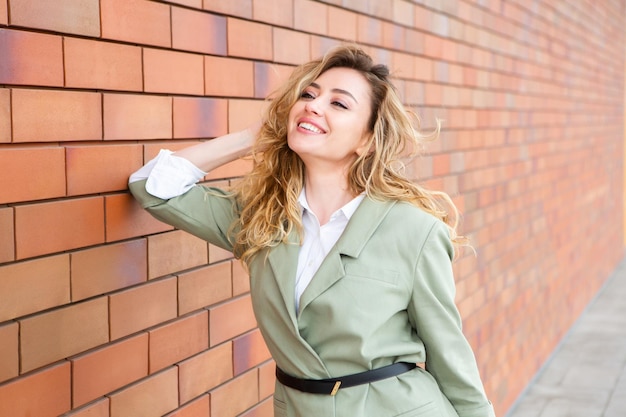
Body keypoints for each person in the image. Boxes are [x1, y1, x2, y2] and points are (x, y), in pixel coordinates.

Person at [129, 45, 495, 417]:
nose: (314, 106)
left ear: (366, 141)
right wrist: (253, 136)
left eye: (339, 104)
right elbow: (152, 186)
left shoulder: (413, 231)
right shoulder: (261, 220)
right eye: (309, 94)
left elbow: (449, 352)